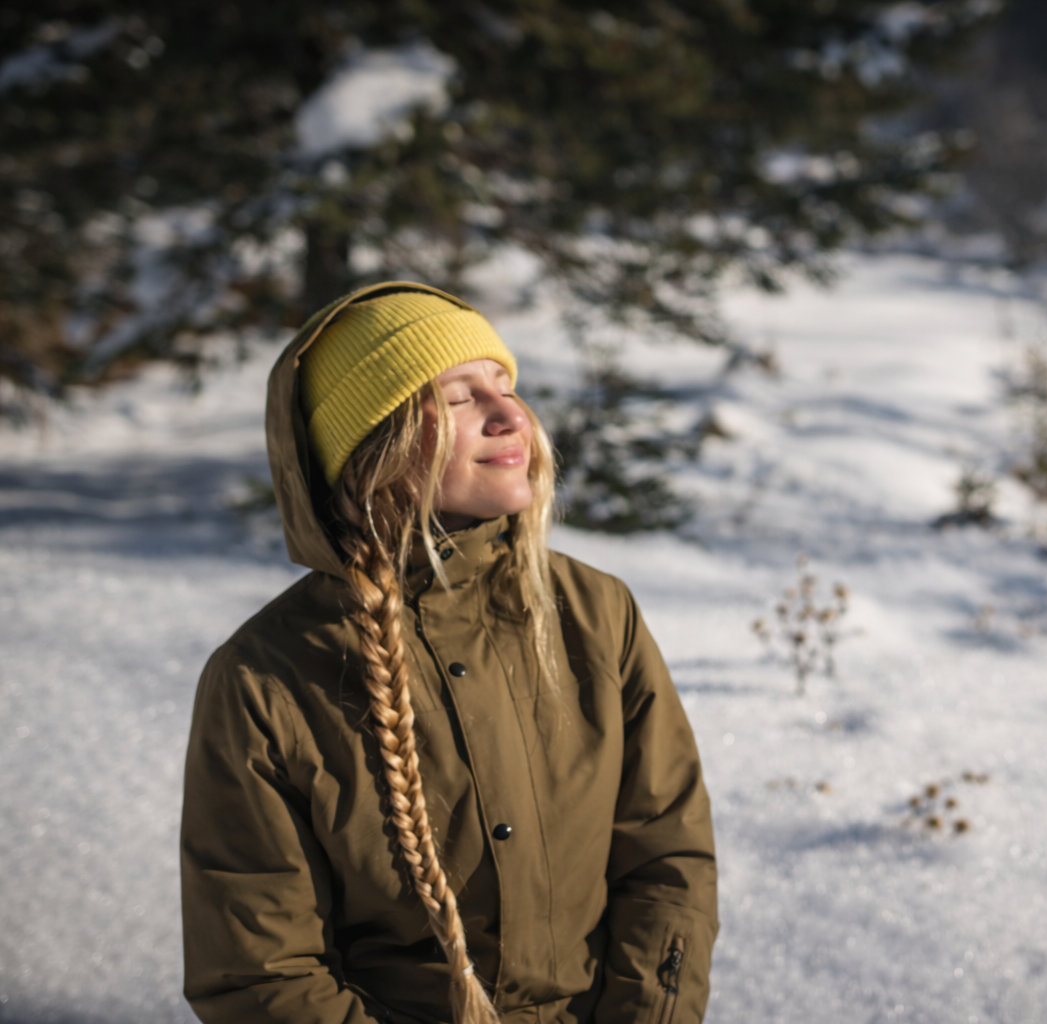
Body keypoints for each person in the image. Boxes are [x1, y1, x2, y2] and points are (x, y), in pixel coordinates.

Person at [180, 283, 717, 1024]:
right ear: (374, 445)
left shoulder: (596, 615)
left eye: (505, 386)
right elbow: (259, 974)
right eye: (461, 398)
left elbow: (666, 863)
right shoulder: (265, 680)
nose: (511, 415)